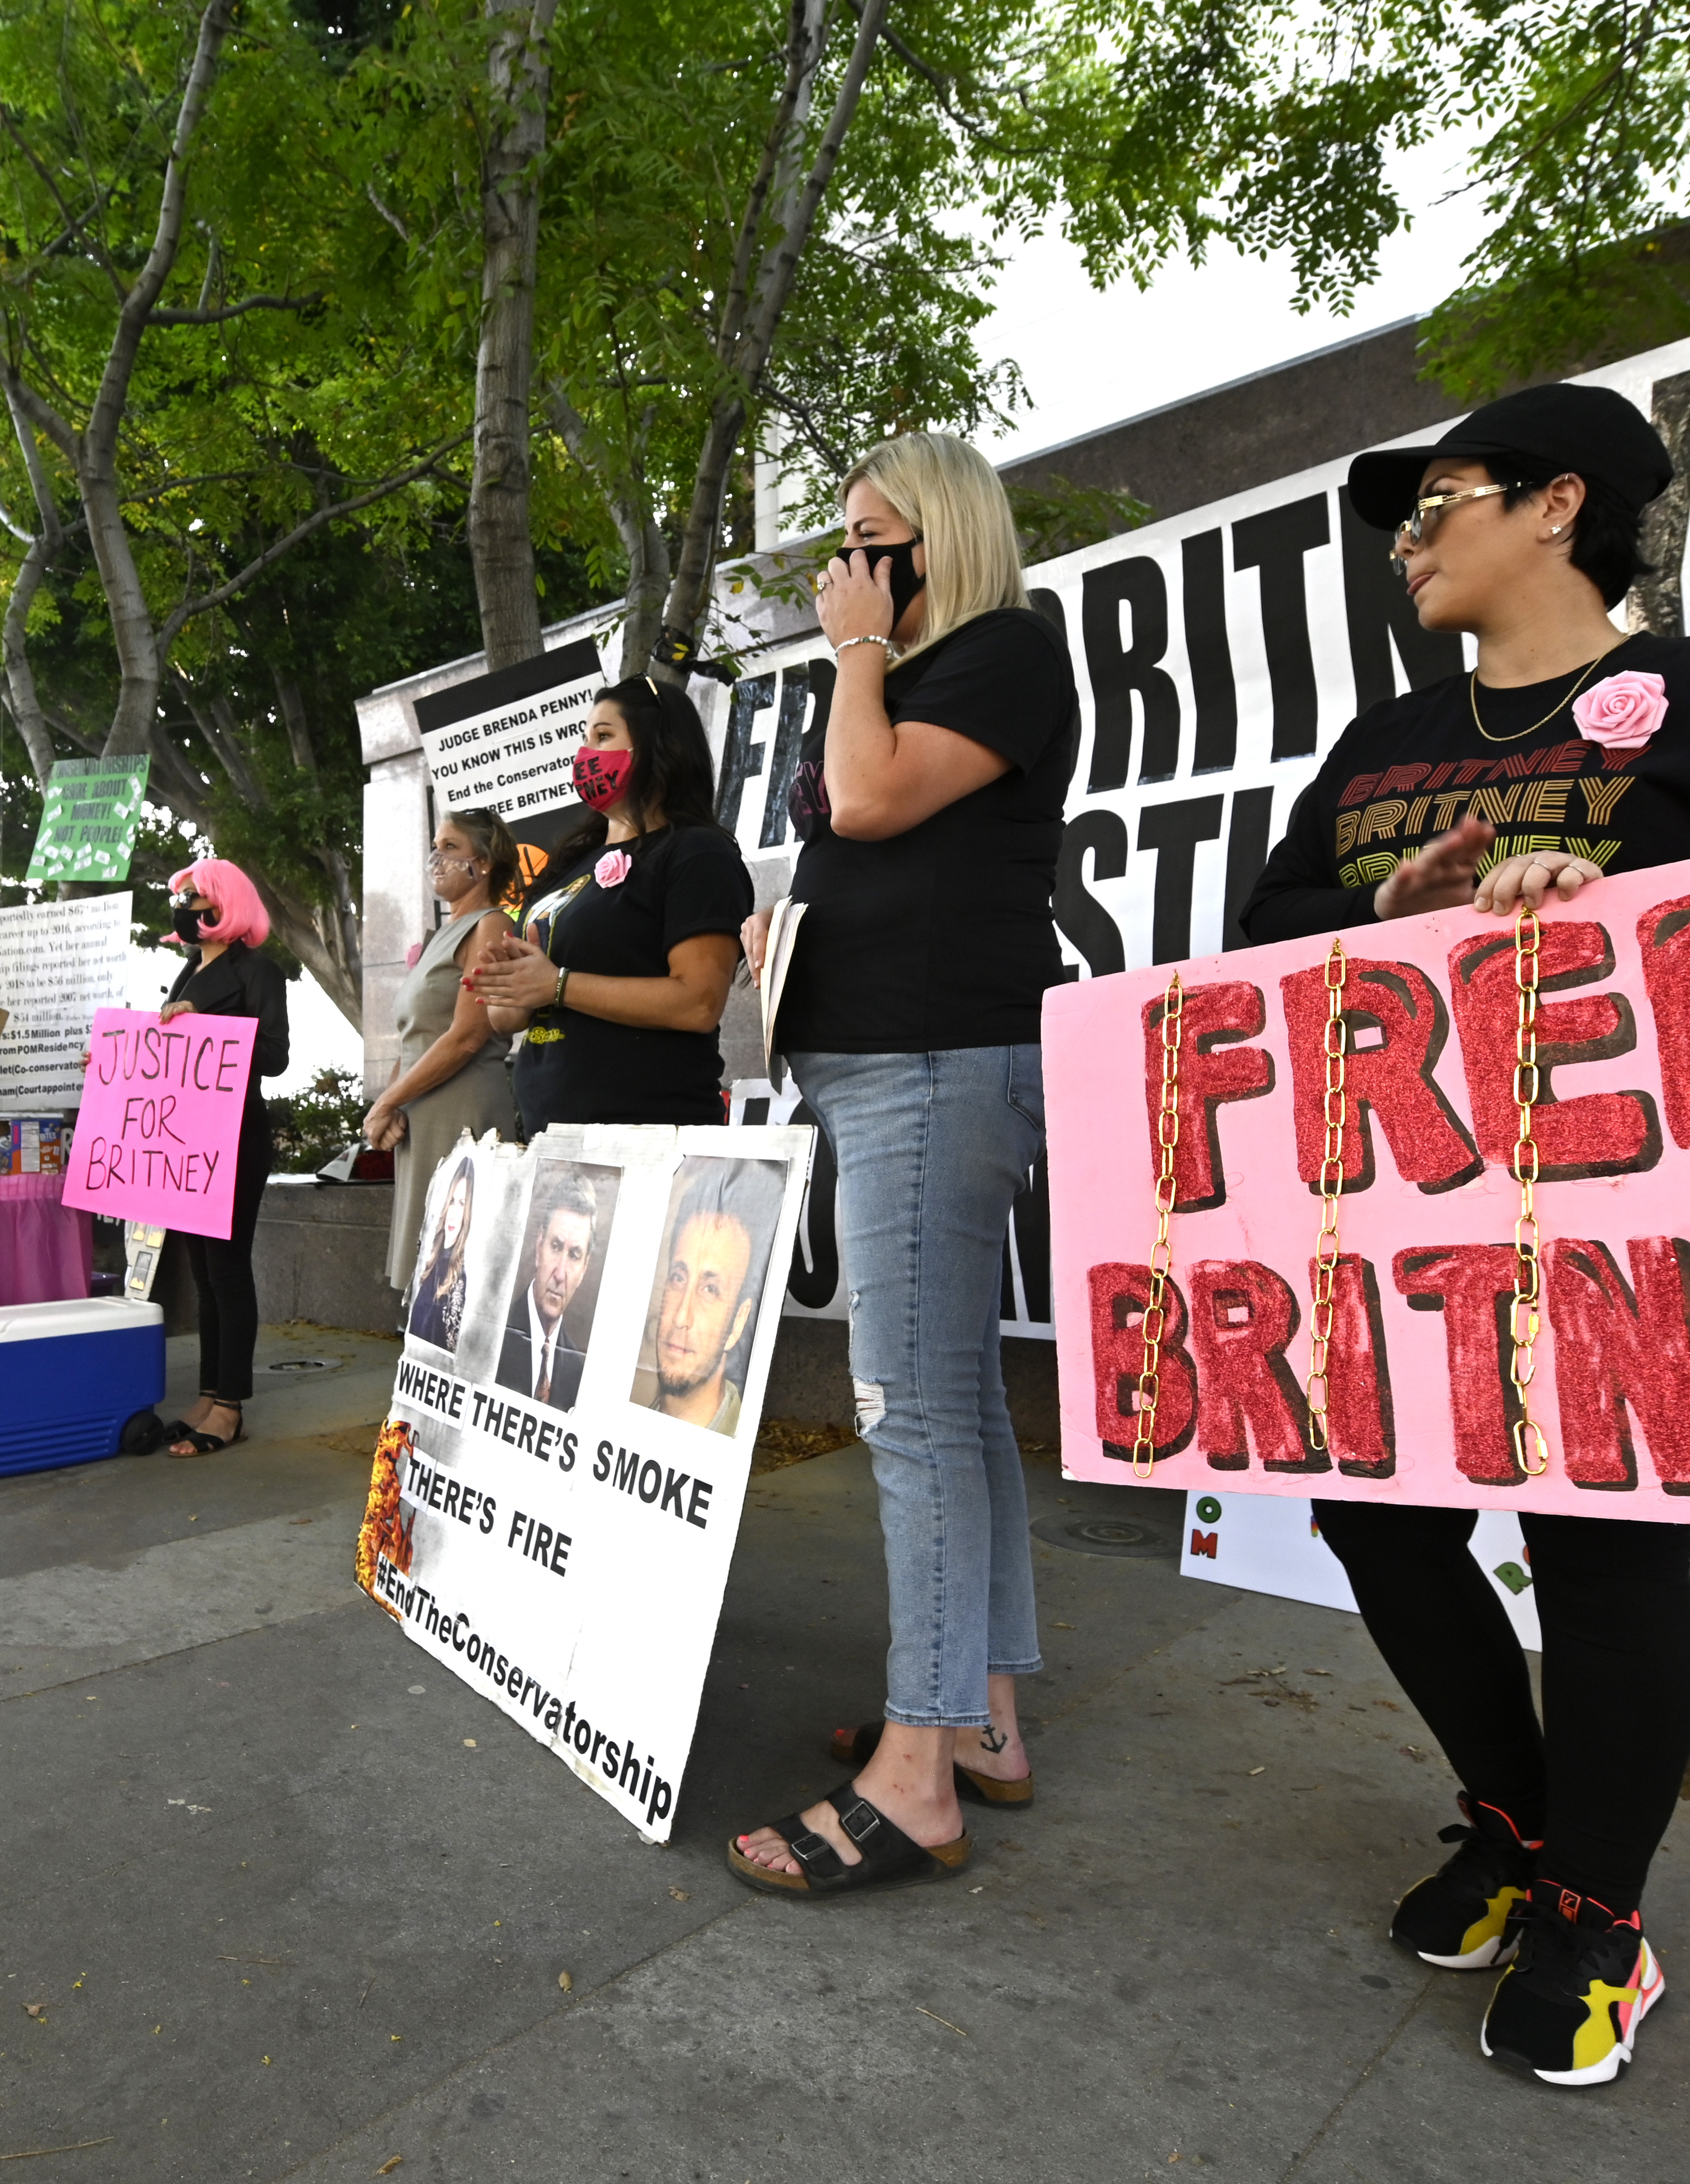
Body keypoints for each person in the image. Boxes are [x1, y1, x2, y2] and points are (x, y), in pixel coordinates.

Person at [1231, 382, 1690, 2086]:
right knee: (1373, 1517)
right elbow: (1257, 938)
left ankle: (1601, 1909)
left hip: (1626, 1217)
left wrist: (1616, 909)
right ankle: (1517, 1822)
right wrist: (1395, 903)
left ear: (1557, 504)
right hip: (1396, 1215)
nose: (1408, 538)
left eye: (1437, 498)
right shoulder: (1380, 749)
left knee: (1601, 1554)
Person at [728, 430, 1075, 1900]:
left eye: (873, 541)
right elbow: (868, 840)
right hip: (888, 1062)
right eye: (845, 546)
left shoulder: (1002, 650)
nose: (844, 573)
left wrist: (856, 651)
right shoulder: (921, 673)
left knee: (914, 1420)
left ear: (939, 539)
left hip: (934, 1067)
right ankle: (980, 1715)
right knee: (959, 1416)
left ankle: (918, 1776)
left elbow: (866, 801)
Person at [469, 681, 748, 1129]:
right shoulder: (571, 863)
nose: (586, 755)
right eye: (584, 740)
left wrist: (557, 984)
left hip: (645, 1136)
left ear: (659, 744)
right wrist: (511, 984)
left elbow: (699, 1002)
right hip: (548, 1138)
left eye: (603, 737)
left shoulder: (697, 854)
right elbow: (507, 1021)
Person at [155, 859, 286, 1456]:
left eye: (196, 897)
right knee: (204, 1275)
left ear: (225, 904)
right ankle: (210, 1391)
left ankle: (230, 1405)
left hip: (235, 1137)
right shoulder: (185, 973)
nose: (184, 907)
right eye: (180, 897)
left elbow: (275, 1054)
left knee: (228, 1269)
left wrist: (204, 1024)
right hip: (189, 1139)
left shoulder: (259, 971)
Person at [365, 810, 520, 1291]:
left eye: (451, 848)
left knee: (456, 1280)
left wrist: (388, 1101)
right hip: (424, 1115)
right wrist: (391, 1103)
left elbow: (467, 1035)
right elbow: (417, 1040)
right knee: (427, 1276)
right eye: (436, 846)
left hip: (462, 1113)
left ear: (486, 861)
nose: (438, 857)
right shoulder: (444, 934)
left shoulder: (491, 924)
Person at [631, 1158, 775, 1434]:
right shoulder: (625, 1430)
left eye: (711, 1290)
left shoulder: (741, 1453)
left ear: (737, 1323)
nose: (681, 1317)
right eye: (678, 1278)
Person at [493, 1164, 606, 1410]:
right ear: (539, 1246)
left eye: (575, 1255)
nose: (560, 1273)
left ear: (585, 1268)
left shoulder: (579, 1372)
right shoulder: (494, 1337)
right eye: (556, 1247)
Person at [404, 1156, 477, 1353]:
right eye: (452, 1201)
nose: (453, 1212)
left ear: (469, 1213)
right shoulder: (432, 1259)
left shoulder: (460, 1277)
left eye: (462, 1204)